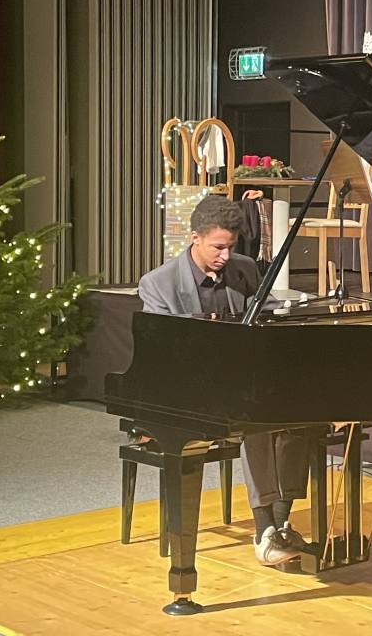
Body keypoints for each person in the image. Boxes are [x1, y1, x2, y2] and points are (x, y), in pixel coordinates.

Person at [137, 194, 310, 567]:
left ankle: (281, 520)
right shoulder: (158, 283)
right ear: (195, 238)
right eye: (218, 247)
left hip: (239, 384)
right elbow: (163, 353)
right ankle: (264, 528)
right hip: (186, 393)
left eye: (231, 246)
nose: (226, 256)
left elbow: (265, 318)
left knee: (301, 414)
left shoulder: (243, 269)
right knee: (256, 420)